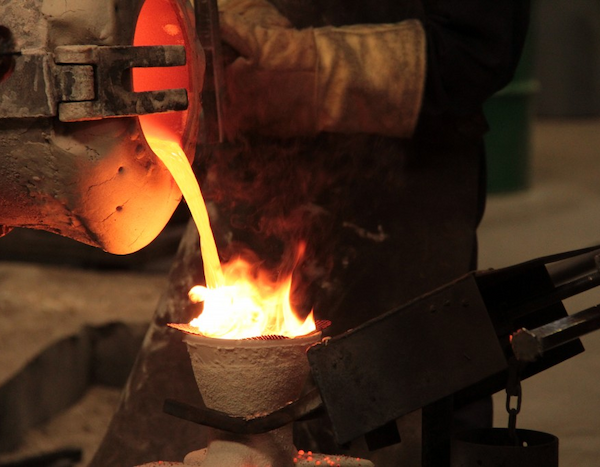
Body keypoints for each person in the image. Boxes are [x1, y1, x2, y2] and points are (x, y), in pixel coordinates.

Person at [89, 1, 530, 465]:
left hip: (398, 199)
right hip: (250, 187)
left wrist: (310, 69)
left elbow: (479, 52)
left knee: (408, 420)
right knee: (187, 432)